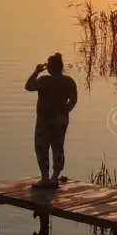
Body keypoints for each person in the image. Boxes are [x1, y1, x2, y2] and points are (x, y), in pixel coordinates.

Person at [25, 52, 78, 189]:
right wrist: (66, 110)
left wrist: (36, 72)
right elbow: (73, 99)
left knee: (41, 147)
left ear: (49, 67)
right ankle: (54, 177)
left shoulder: (44, 81)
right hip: (61, 120)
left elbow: (29, 86)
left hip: (45, 120)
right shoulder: (69, 81)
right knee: (58, 148)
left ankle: (45, 178)